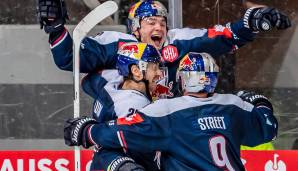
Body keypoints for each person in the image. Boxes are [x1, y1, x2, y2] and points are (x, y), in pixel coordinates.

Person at [64, 52, 278, 170]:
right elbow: (268, 128)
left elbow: (123, 132)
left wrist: (87, 132)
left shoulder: (168, 110)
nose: (159, 75)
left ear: (184, 79)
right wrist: (260, 103)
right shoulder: (234, 106)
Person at [37, 0, 291, 97]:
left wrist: (252, 22)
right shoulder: (115, 44)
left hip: (168, 130)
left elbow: (219, 37)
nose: (158, 26)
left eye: (162, 21)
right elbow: (70, 59)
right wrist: (55, 27)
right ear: (136, 28)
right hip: (124, 129)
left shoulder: (177, 40)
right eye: (150, 22)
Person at [81, 42, 163, 170]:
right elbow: (145, 156)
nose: (159, 73)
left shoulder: (111, 84)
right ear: (136, 71)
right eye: (154, 67)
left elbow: (86, 82)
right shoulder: (134, 107)